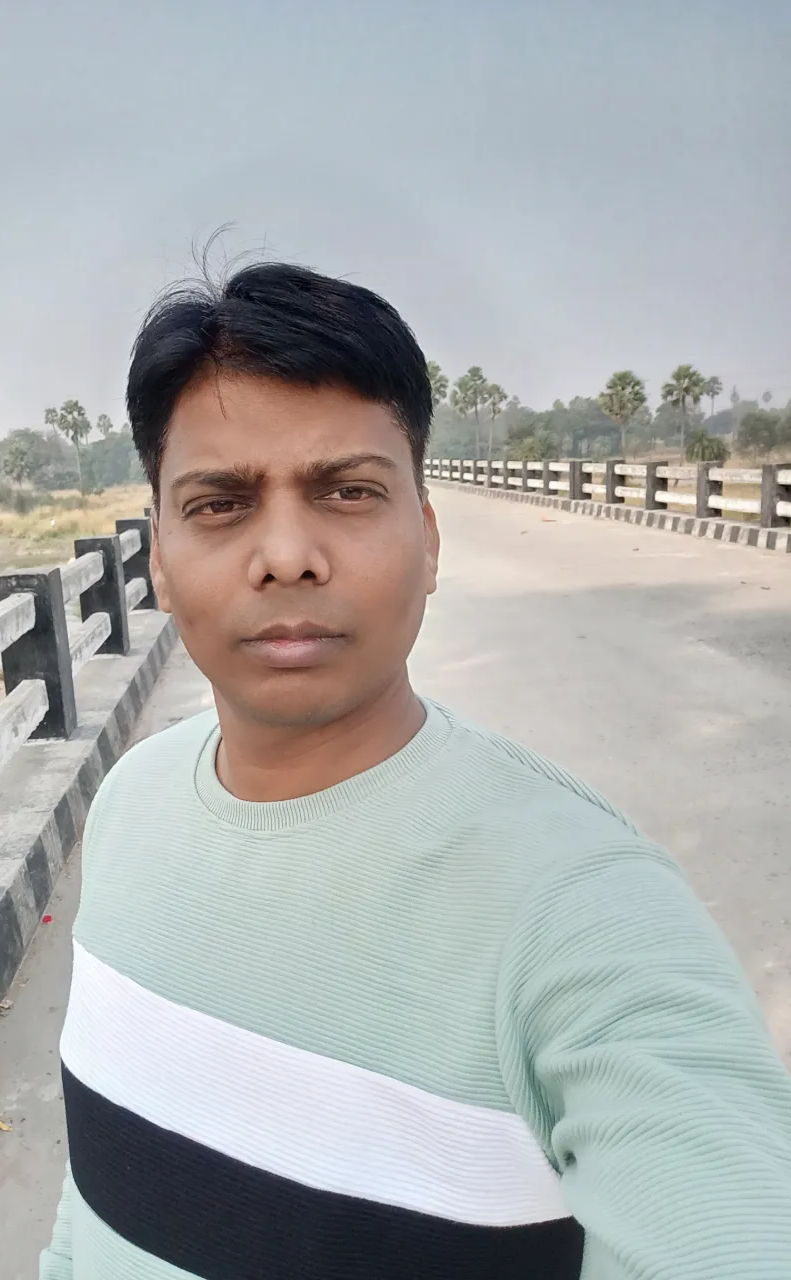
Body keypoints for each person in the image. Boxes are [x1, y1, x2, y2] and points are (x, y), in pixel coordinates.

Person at [41, 262, 791, 1280]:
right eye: (220, 504)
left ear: (428, 538)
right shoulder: (128, 809)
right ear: (160, 558)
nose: (288, 553)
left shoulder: (585, 912)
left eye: (348, 491)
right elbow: (90, 1217)